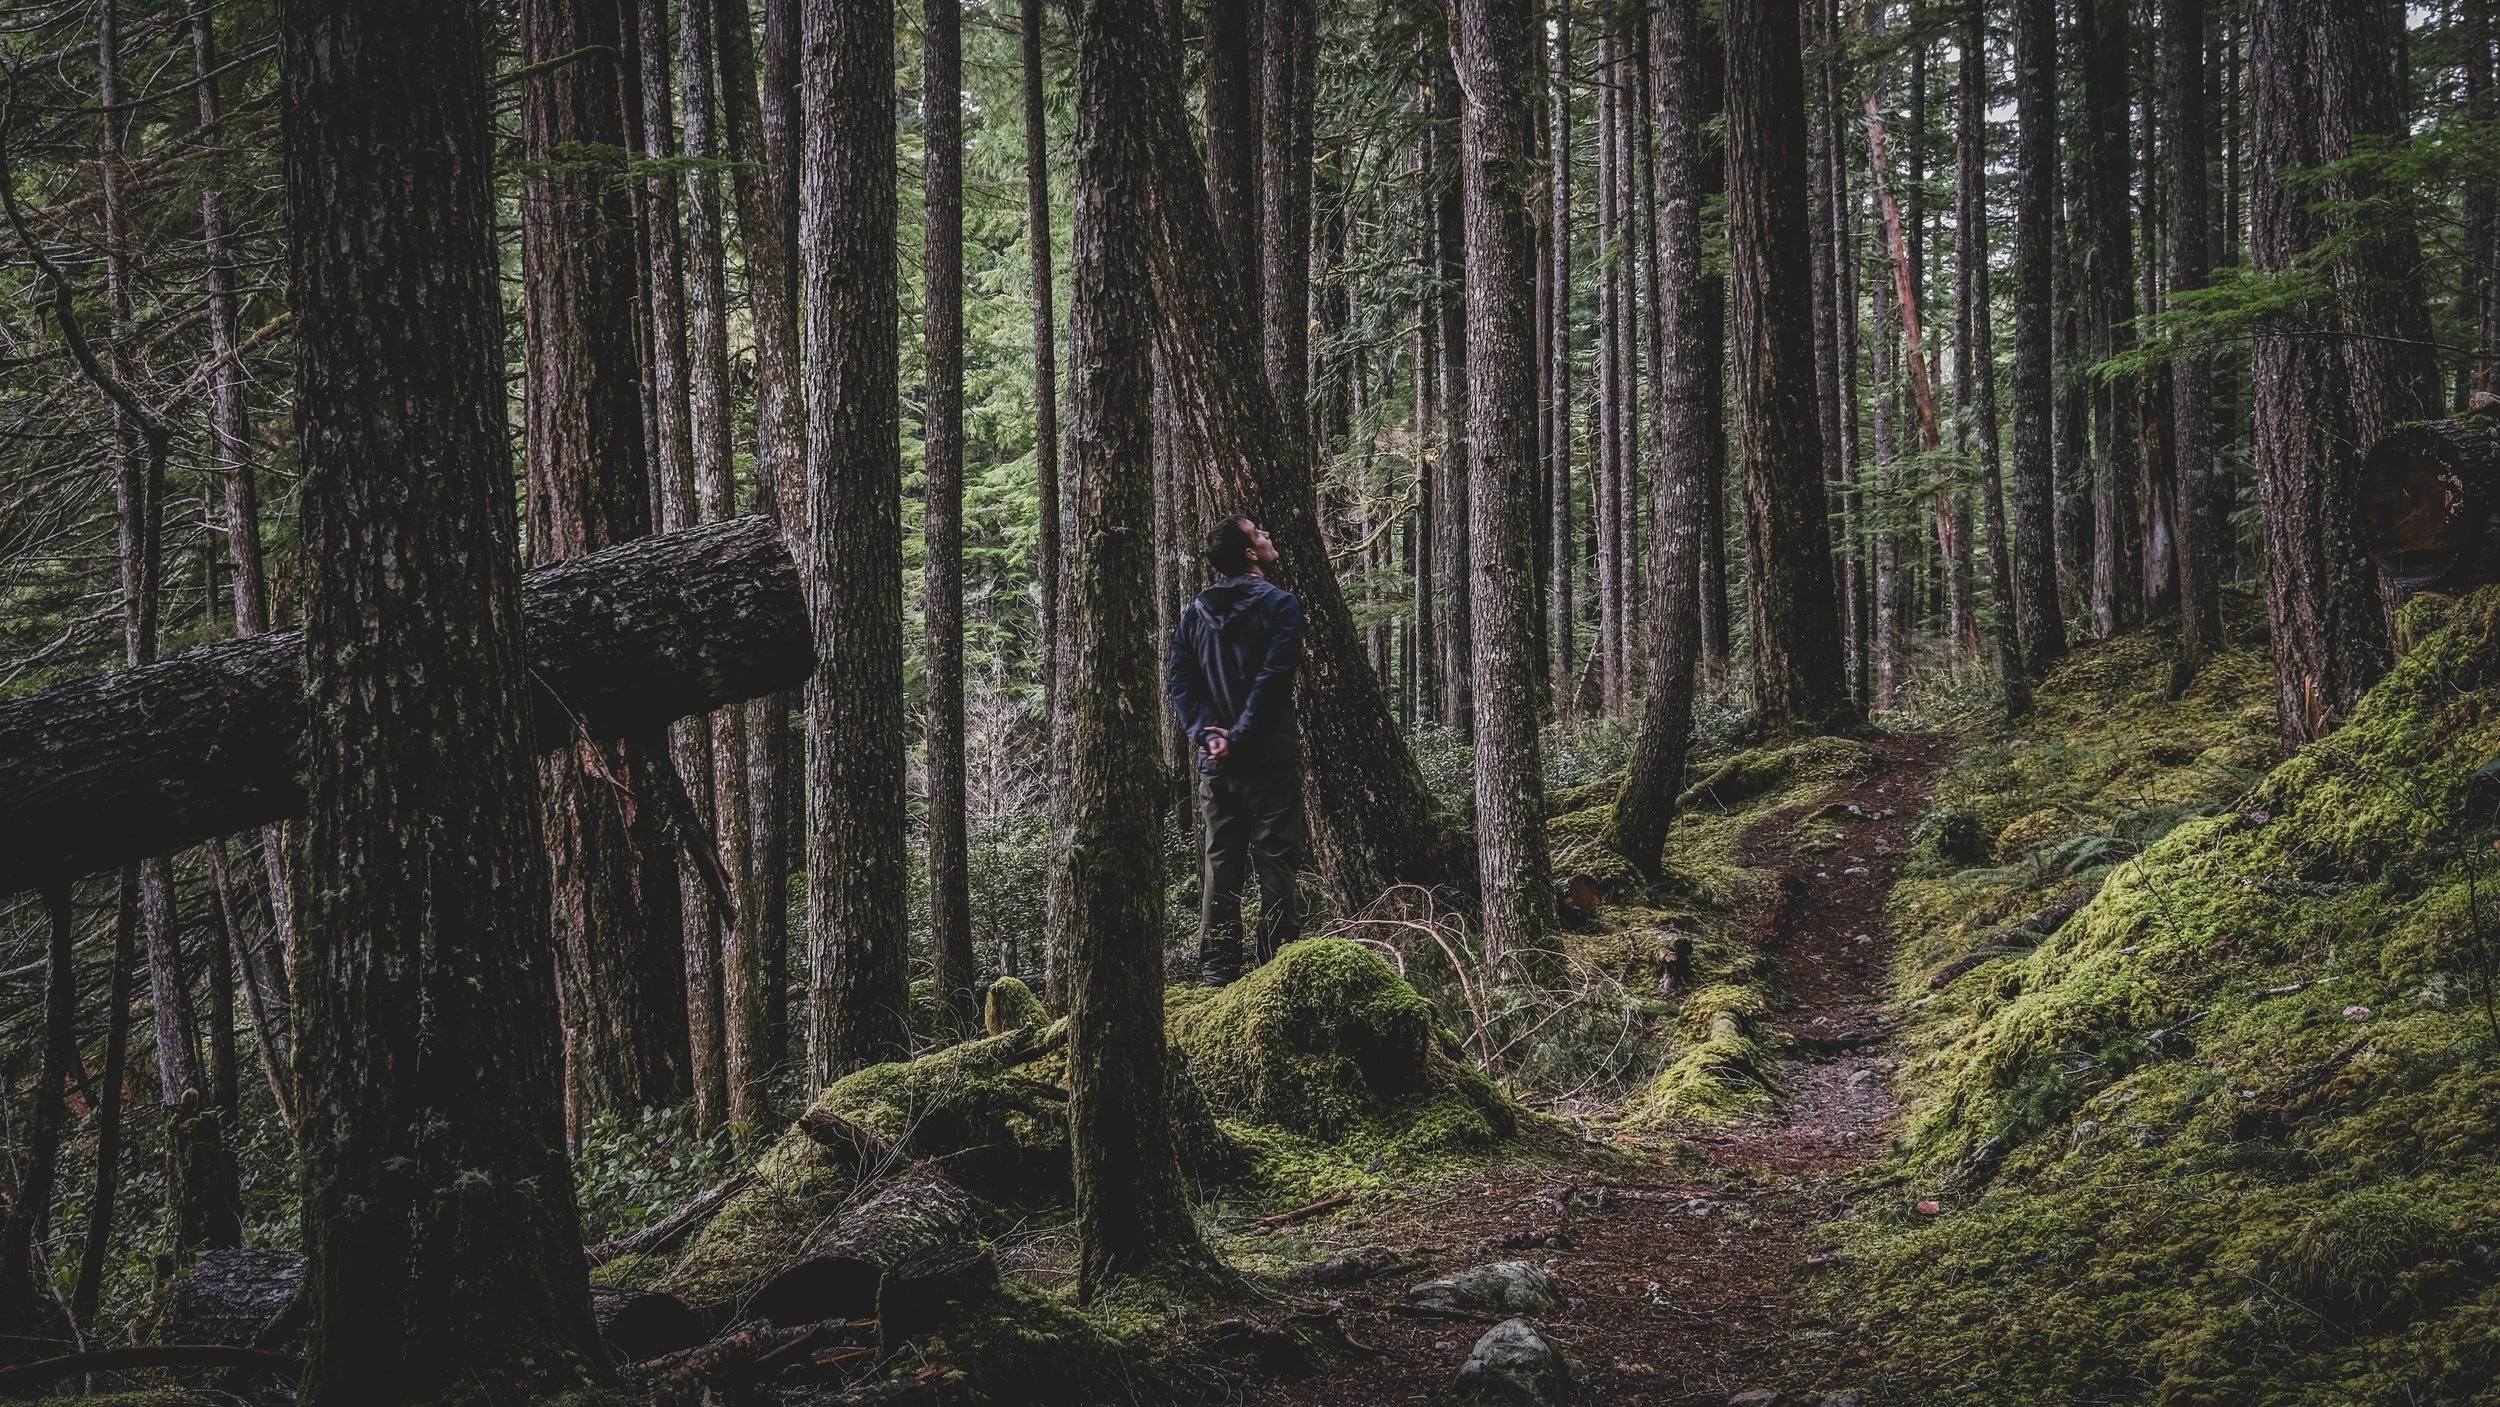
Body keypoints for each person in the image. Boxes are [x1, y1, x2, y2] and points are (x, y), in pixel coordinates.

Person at [1165, 515, 1306, 985]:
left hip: (1217, 763)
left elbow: (1180, 682)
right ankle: (1277, 970)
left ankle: (1217, 974)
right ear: (1249, 553)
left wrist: (1209, 735)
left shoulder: (1194, 613)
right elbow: (1274, 677)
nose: (1267, 535)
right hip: (1268, 757)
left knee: (1220, 863)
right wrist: (1235, 732)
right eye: (1259, 533)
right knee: (1276, 859)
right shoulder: (1281, 605)